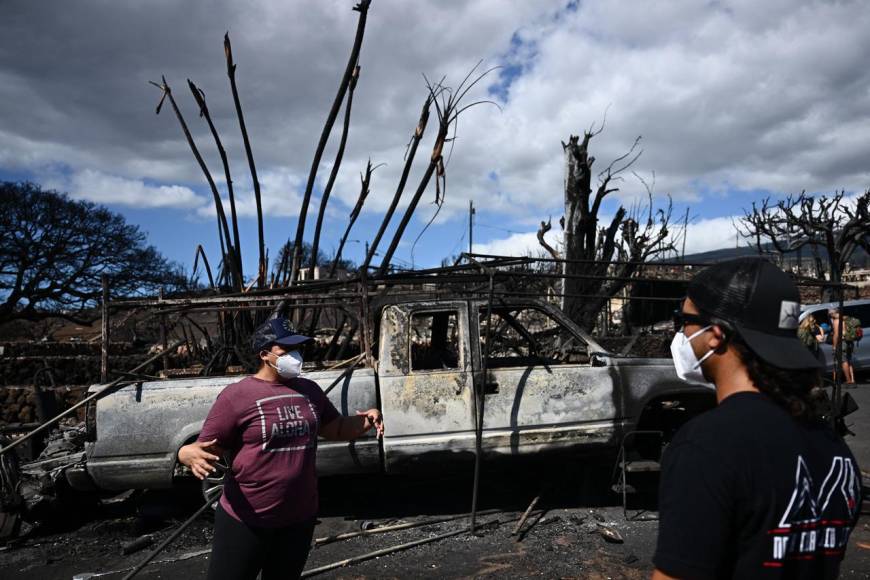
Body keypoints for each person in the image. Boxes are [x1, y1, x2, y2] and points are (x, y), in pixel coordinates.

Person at [654, 258, 860, 579]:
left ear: (715, 334)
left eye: (684, 319)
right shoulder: (834, 448)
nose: (681, 333)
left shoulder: (706, 447)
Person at [177, 317, 384, 580]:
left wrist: (367, 420)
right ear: (265, 355)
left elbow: (337, 428)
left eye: (298, 349)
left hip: (299, 517)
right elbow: (205, 447)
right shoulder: (236, 396)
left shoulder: (309, 390)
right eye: (287, 351)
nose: (296, 356)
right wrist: (185, 454)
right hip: (247, 518)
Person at [829, 308, 859, 386]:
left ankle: (848, 381)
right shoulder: (845, 319)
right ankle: (852, 379)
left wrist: (834, 346)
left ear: (834, 313)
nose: (829, 315)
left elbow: (836, 335)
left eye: (830, 313)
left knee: (843, 361)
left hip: (842, 342)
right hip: (849, 342)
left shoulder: (836, 321)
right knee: (848, 361)